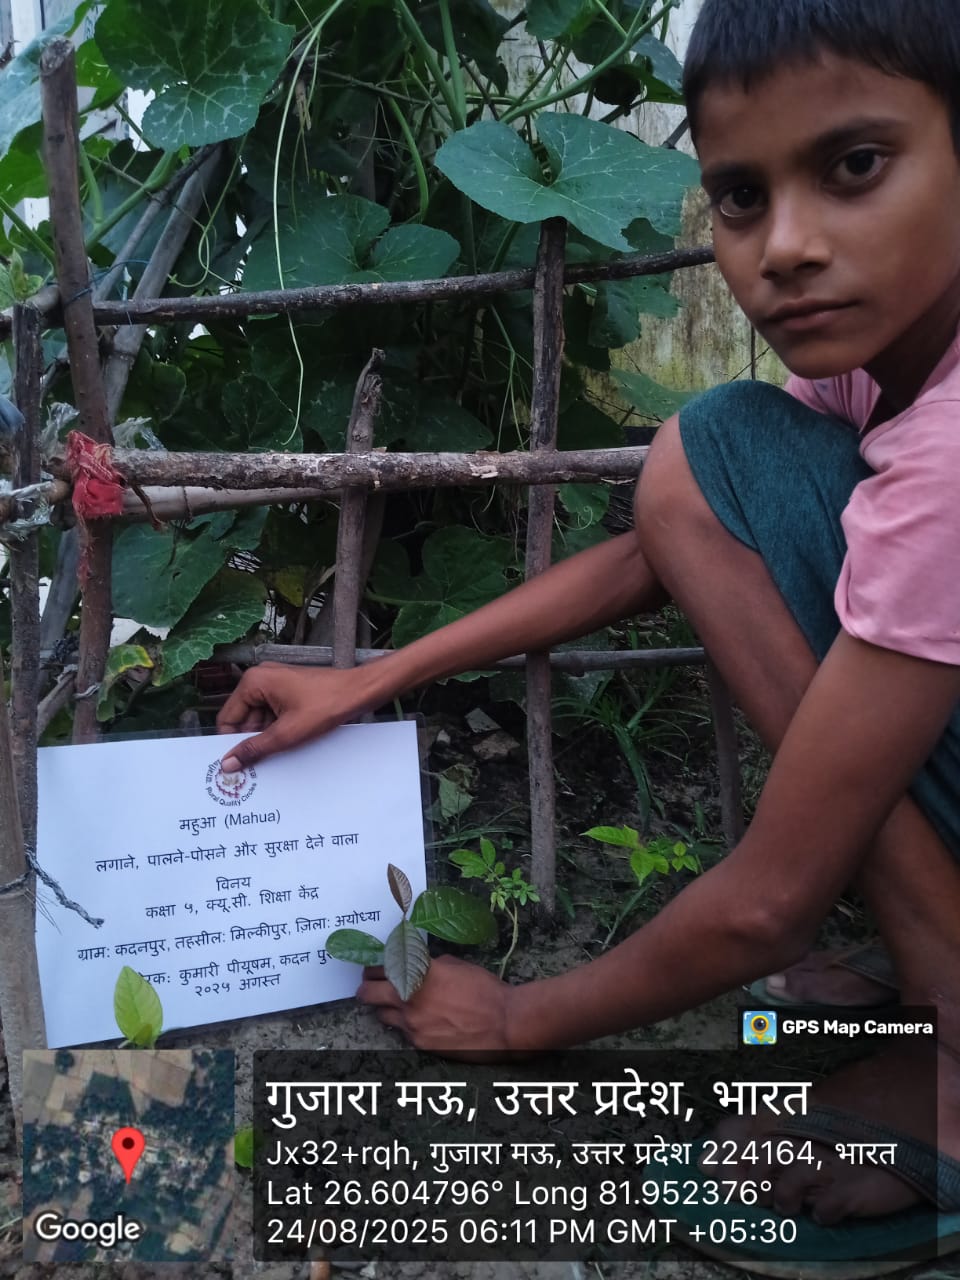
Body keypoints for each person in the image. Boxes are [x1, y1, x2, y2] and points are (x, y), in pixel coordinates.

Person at [219, 0, 960, 1232]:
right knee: (709, 447)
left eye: (855, 166)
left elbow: (773, 901)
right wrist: (370, 677)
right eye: (738, 196)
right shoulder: (889, 356)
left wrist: (519, 1018)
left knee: (700, 448)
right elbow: (666, 542)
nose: (786, 246)